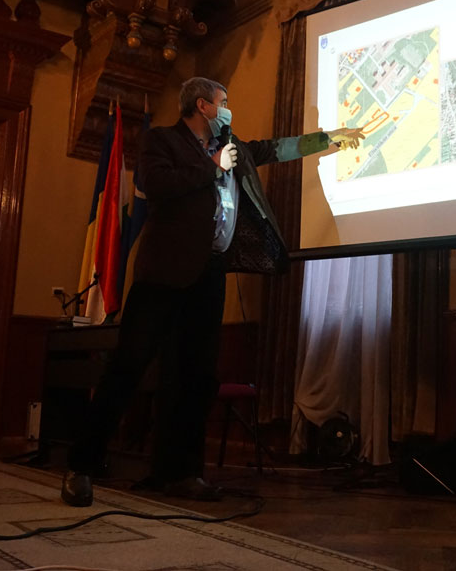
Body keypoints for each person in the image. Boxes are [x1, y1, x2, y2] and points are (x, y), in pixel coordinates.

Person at [61, 77, 363, 506]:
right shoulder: (161, 140)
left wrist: (328, 139)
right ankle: (81, 466)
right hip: (162, 275)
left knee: (196, 379)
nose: (228, 109)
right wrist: (212, 166)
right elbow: (155, 184)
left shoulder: (232, 148)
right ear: (203, 105)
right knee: (127, 368)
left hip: (209, 274)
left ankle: (181, 473)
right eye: (224, 102)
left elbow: (273, 149)